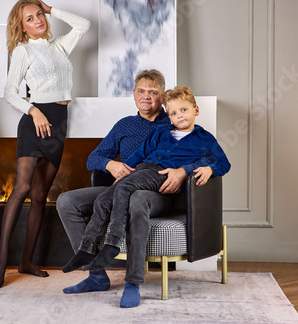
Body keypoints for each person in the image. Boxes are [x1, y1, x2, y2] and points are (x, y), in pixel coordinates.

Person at [57, 70, 212, 308]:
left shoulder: (173, 119)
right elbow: (93, 158)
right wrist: (112, 164)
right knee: (67, 202)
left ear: (163, 96)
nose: (146, 96)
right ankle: (96, 274)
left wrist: (182, 172)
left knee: (137, 198)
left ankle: (133, 283)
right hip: (120, 186)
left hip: (158, 193)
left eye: (153, 92)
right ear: (134, 94)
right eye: (141, 91)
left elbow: (207, 154)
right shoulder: (124, 125)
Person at [0, 0, 90, 289]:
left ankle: (27, 261)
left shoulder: (58, 46)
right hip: (35, 122)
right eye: (29, 19)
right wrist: (33, 111)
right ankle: (0, 260)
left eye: (38, 15)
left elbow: (84, 25)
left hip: (58, 122)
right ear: (20, 27)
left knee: (40, 195)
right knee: (21, 187)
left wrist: (51, 9)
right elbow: (10, 92)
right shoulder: (22, 51)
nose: (38, 21)